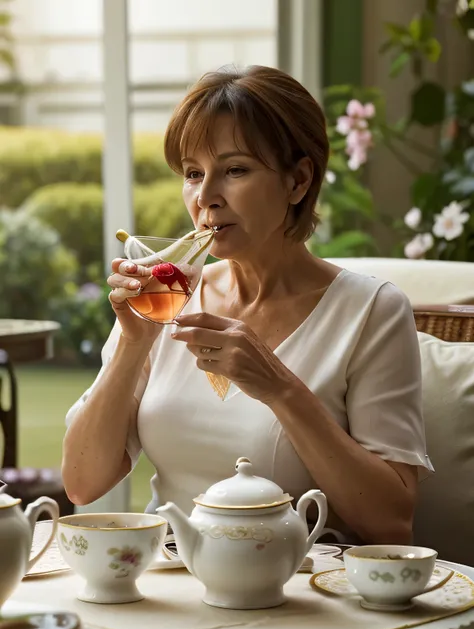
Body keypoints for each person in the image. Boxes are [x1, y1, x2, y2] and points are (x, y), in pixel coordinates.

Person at [62, 65, 432, 545]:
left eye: (235, 170)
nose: (205, 197)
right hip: (171, 579)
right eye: (194, 174)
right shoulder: (166, 295)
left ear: (298, 181)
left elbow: (390, 522)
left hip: (297, 591)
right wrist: (134, 344)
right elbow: (83, 483)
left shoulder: (371, 311)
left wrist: (279, 387)